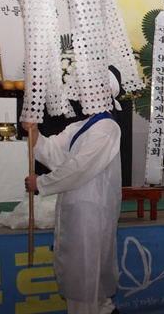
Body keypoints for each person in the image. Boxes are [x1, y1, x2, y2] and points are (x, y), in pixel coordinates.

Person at [23, 70, 123, 314]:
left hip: (91, 210)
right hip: (77, 208)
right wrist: (34, 132)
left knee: (84, 274)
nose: (84, 93)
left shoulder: (107, 127)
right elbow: (52, 152)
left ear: (106, 93)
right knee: (83, 272)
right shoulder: (80, 126)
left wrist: (42, 183)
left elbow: (80, 168)